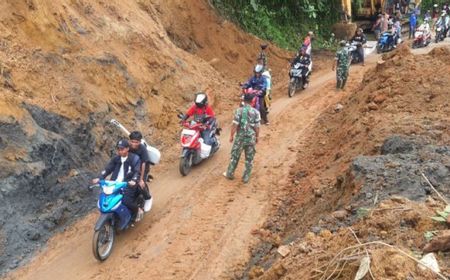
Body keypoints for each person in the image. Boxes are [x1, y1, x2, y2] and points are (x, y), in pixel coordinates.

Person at [92, 139, 144, 222]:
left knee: (126, 200)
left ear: (127, 149)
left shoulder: (134, 158)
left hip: (127, 184)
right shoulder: (116, 159)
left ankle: (138, 210)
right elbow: (107, 169)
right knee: (106, 198)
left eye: (122, 149)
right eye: (119, 149)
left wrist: (133, 180)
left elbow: (137, 172)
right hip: (114, 184)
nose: (120, 151)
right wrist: (100, 177)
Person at [223, 93, 261, 184]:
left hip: (240, 137)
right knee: (249, 158)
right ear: (252, 101)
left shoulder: (238, 111)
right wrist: (257, 136)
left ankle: (230, 173)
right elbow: (257, 127)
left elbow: (235, 124)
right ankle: (246, 177)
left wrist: (231, 136)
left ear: (243, 101)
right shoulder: (256, 112)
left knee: (235, 155)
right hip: (250, 137)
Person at [129, 131, 153, 213]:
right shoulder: (127, 147)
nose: (134, 144)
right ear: (129, 141)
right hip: (132, 167)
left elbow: (143, 164)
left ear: (140, 141)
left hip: (143, 168)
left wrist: (141, 179)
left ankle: (148, 198)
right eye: (132, 141)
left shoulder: (142, 149)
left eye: (136, 142)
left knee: (140, 184)